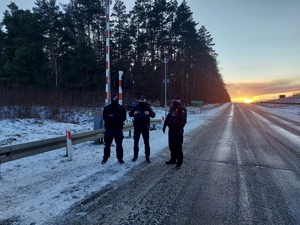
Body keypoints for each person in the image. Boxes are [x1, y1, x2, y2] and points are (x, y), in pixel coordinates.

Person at [129, 95, 156, 163]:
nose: (142, 100)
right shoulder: (136, 107)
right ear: (138, 100)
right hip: (137, 126)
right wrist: (133, 113)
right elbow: (130, 114)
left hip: (145, 126)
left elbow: (153, 115)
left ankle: (147, 157)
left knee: (146, 142)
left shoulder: (148, 106)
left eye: (143, 99)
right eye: (140, 99)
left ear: (145, 100)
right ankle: (135, 156)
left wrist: (149, 113)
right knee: (136, 142)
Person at [162, 95, 187, 169]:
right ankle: (173, 159)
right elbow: (168, 117)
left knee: (178, 147)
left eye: (176, 100)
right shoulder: (171, 108)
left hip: (178, 131)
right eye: (174, 100)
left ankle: (179, 162)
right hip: (171, 130)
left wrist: (180, 129)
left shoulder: (182, 109)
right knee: (171, 146)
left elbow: (183, 121)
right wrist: (164, 125)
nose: (175, 101)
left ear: (179, 101)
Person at [102, 94, 127, 164]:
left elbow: (124, 117)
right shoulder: (107, 108)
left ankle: (120, 158)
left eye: (116, 98)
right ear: (111, 99)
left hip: (118, 128)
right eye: (113, 98)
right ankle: (105, 158)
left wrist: (118, 122)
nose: (114, 99)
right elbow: (105, 117)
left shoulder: (121, 108)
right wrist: (110, 122)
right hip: (109, 128)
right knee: (107, 144)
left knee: (119, 144)